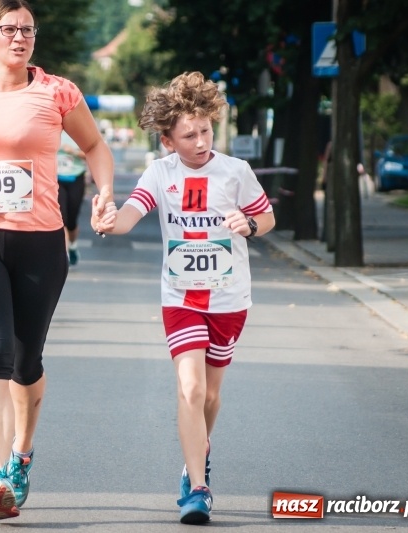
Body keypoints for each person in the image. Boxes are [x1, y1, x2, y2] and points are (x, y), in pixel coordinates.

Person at [0, 0, 114, 520]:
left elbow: (95, 146)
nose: (19, 37)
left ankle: (21, 454)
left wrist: (105, 192)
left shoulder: (58, 91)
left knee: (26, 364)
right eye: (8, 29)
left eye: (27, 30)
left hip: (39, 242)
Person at [92, 71, 275, 524]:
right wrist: (106, 220)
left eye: (205, 131)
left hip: (229, 297)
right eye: (189, 136)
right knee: (190, 388)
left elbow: (267, 217)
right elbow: (128, 217)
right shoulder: (160, 173)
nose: (200, 142)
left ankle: (198, 452)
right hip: (181, 298)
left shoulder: (235, 171)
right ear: (168, 141)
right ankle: (197, 487)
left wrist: (250, 225)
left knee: (210, 394)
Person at [56, 130, 87, 266]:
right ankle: (65, 254)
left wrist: (73, 151)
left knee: (72, 221)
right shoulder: (51, 130)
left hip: (76, 178)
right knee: (62, 218)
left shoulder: (78, 131)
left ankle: (73, 246)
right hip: (57, 179)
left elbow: (90, 153)